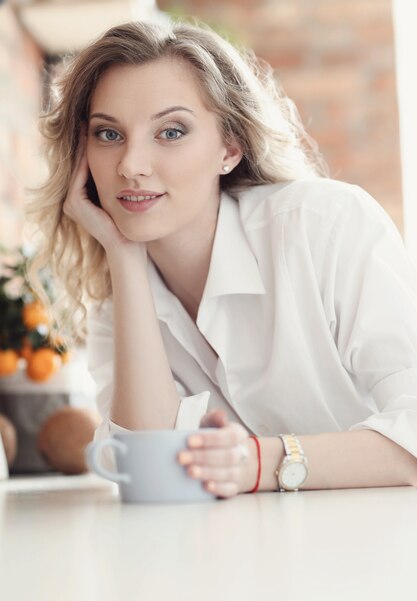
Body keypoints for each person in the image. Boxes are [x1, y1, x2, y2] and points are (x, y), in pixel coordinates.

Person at [27, 19, 417, 498]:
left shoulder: (326, 226)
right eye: (108, 135)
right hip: (241, 561)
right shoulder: (120, 311)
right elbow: (150, 478)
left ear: (230, 148)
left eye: (170, 132)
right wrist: (124, 257)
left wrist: (258, 462)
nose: (131, 165)